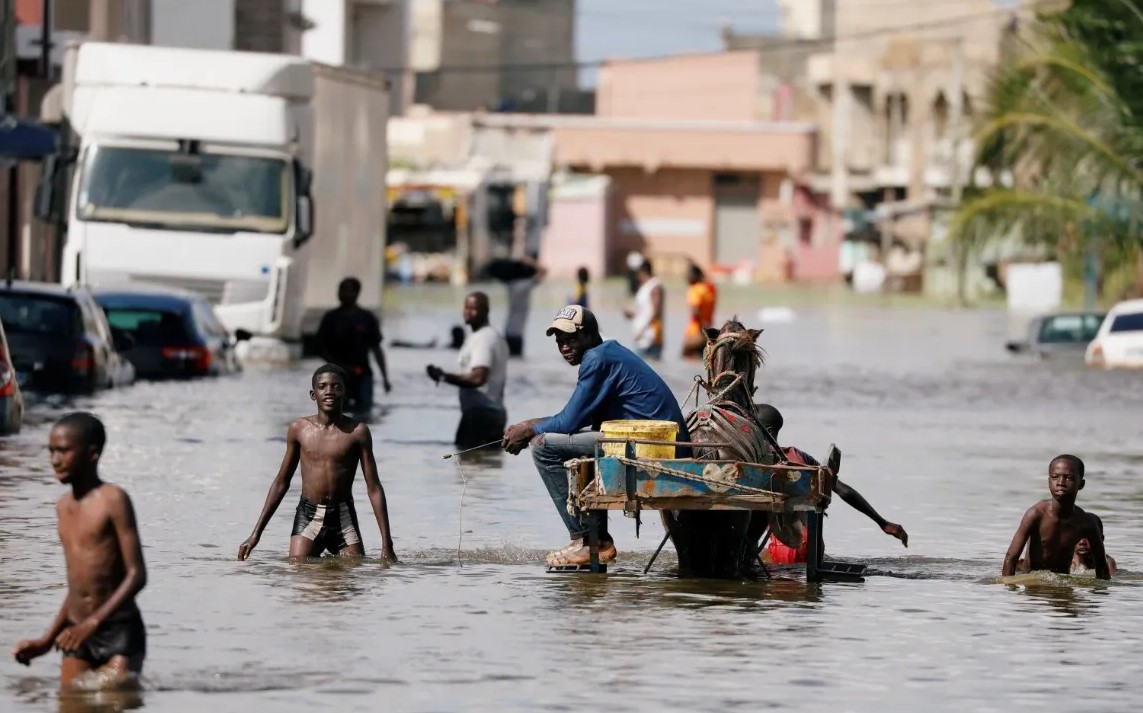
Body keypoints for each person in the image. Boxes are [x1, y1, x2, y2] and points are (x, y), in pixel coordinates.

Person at [502, 305, 690, 567]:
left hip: (651, 446)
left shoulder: (596, 359)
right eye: (560, 341)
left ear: (590, 334)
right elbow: (583, 421)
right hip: (655, 442)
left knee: (543, 446)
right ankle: (595, 538)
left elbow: (569, 421)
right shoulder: (608, 353)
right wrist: (531, 424)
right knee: (579, 443)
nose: (565, 347)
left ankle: (589, 540)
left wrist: (528, 427)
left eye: (571, 339)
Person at [12, 413, 148, 690]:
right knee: (71, 703)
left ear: (92, 453)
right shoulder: (63, 507)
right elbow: (77, 587)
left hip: (117, 630)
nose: (54, 459)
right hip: (76, 631)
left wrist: (94, 623)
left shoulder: (113, 500)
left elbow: (137, 575)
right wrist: (47, 641)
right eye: (51, 451)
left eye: (63, 450)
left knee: (112, 700)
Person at [238, 364, 397, 563]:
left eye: (336, 386)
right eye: (322, 387)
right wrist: (255, 534)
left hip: (343, 518)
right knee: (298, 569)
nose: (329, 391)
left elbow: (374, 488)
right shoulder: (299, 429)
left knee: (352, 576)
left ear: (345, 392)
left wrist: (387, 543)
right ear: (313, 395)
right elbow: (281, 482)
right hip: (308, 515)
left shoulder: (358, 432)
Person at [755, 404, 908, 563]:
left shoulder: (755, 465)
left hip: (785, 549)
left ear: (768, 431)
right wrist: (882, 523)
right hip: (814, 548)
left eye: (751, 427)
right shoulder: (800, 456)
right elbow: (843, 490)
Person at [1002, 455, 1109, 579]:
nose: (1061, 483)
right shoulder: (1036, 514)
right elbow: (1011, 558)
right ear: (1048, 481)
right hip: (1032, 587)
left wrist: (1100, 596)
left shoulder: (1086, 523)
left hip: (1063, 582)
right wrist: (1008, 591)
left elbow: (1102, 569)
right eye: (1055, 477)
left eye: (1068, 478)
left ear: (1081, 484)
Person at [426, 292, 509, 451]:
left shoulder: (483, 338)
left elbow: (478, 378)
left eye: (474, 308)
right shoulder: (491, 336)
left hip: (480, 415)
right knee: (485, 467)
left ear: (485, 310)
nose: (468, 312)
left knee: (468, 467)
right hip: (494, 413)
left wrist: (443, 376)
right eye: (466, 307)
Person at [316, 277, 392, 412]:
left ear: (356, 293)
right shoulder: (331, 318)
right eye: (340, 290)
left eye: (346, 290)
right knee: (336, 413)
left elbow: (376, 349)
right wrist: (339, 367)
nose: (342, 294)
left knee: (363, 414)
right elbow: (321, 348)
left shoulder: (367, 319)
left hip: (362, 375)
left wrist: (385, 378)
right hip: (336, 376)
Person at [624, 259, 664, 360]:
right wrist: (632, 315)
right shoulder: (644, 288)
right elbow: (644, 312)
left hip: (650, 338)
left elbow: (656, 312)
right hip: (641, 339)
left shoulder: (654, 286)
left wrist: (641, 330)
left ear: (642, 271)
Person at [682, 263, 717, 359]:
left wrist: (699, 331)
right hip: (708, 332)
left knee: (688, 360)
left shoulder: (694, 289)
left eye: (687, 274)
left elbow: (695, 311)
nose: (685, 277)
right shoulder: (711, 288)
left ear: (693, 275)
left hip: (695, 332)